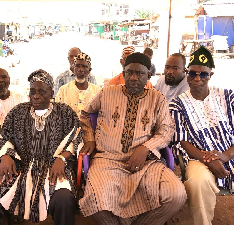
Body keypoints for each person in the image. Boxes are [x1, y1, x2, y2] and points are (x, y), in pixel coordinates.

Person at [79, 52, 187, 225]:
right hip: (107, 161)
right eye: (129, 72)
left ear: (148, 76)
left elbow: (166, 130)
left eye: (140, 73)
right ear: (123, 72)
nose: (134, 78)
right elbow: (84, 114)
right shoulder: (107, 92)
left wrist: (146, 148)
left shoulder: (157, 99)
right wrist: (89, 138)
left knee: (176, 195)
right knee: (95, 201)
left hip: (146, 164)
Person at [0, 69, 82, 225]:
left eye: (42, 91)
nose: (36, 96)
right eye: (32, 91)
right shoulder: (18, 112)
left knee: (64, 199)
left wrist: (61, 158)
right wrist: (6, 156)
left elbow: (75, 136)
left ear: (52, 92)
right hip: (20, 167)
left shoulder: (64, 112)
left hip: (55, 167)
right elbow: (4, 136)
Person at [170, 46, 234, 225]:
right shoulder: (177, 104)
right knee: (198, 181)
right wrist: (209, 159)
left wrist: (225, 155)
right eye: (192, 73)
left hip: (230, 152)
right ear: (186, 73)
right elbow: (182, 141)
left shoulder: (228, 97)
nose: (197, 78)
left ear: (210, 75)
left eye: (203, 74)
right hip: (197, 158)